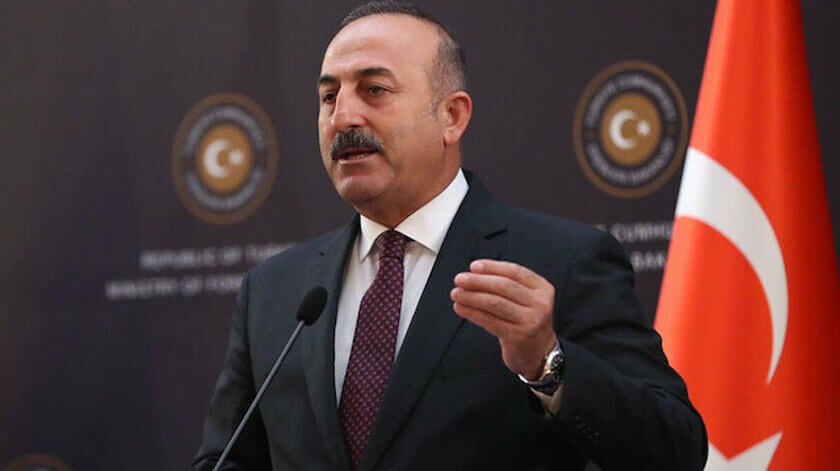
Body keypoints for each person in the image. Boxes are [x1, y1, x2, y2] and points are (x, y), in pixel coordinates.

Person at [192, 2, 707, 470]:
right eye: (329, 97)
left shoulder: (561, 261)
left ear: (451, 117)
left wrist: (548, 364)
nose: (343, 117)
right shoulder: (274, 291)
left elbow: (674, 451)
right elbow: (225, 459)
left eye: (374, 90)